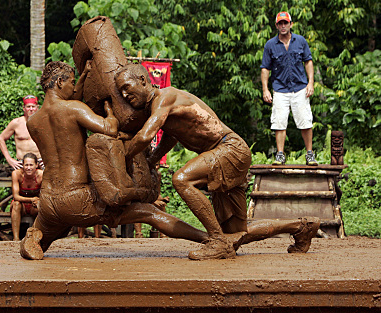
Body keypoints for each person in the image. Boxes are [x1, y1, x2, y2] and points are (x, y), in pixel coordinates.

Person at [114, 63, 320, 260]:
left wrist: (121, 158)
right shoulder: (162, 106)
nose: (124, 95)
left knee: (181, 179)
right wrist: (151, 160)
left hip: (228, 149)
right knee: (236, 233)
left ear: (142, 80)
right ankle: (302, 227)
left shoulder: (164, 97)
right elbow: (171, 137)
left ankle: (217, 242)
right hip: (228, 152)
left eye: (126, 88)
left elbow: (144, 137)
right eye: (120, 91)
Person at [20, 61, 209, 260]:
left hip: (48, 199)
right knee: (148, 212)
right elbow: (109, 129)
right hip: (77, 198)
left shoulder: (33, 122)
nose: (74, 88)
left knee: (56, 226)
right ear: (59, 82)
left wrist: (84, 75)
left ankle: (35, 237)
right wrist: (110, 115)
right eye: (72, 83)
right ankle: (208, 238)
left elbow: (61, 113)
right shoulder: (73, 109)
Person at [261, 11, 318, 166]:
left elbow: (308, 61)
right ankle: (280, 154)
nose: (283, 26)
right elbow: (265, 68)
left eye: (286, 23)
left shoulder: (300, 41)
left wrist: (311, 82)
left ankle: (309, 154)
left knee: (305, 120)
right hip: (280, 88)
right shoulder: (270, 45)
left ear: (291, 24)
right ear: (276, 26)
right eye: (280, 23)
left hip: (300, 87)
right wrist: (265, 89)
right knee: (279, 122)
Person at [0, 95, 43, 170]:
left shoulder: (44, 123)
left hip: (40, 161)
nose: (31, 109)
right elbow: (1, 139)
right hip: (21, 162)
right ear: (24, 108)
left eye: (33, 106)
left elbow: (54, 141)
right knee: (16, 178)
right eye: (28, 107)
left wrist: (49, 159)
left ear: (37, 108)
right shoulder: (16, 123)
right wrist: (9, 159)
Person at [10, 152, 43, 241]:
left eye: (31, 165)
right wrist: (31, 199)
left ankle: (37, 237)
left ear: (36, 165)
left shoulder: (41, 175)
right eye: (26, 165)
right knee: (16, 204)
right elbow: (16, 196)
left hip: (34, 205)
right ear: (22, 165)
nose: (28, 168)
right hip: (22, 205)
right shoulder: (16, 174)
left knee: (41, 206)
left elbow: (46, 193)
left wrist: (38, 201)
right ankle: (16, 238)